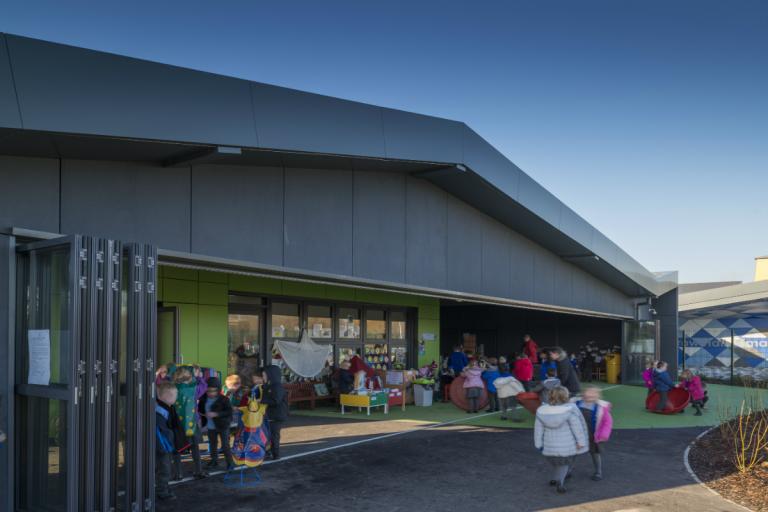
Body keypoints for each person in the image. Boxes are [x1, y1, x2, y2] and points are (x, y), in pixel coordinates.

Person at [534, 386, 589, 494]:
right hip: (567, 444)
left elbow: (538, 429)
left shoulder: (542, 411)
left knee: (556, 462)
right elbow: (577, 428)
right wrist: (581, 442)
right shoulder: (570, 410)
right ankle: (560, 482)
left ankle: (554, 478)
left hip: (549, 444)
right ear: (565, 396)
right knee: (564, 464)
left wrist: (538, 443)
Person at [172, 367, 206, 480]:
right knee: (195, 447)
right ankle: (198, 471)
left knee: (177, 449)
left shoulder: (174, 388)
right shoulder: (194, 388)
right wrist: (199, 377)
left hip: (178, 424)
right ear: (190, 378)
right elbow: (204, 386)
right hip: (192, 423)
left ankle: (178, 474)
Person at [575, 387, 613, 481]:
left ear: (597, 396)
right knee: (573, 453)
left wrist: (604, 434)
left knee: (595, 453)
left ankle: (598, 472)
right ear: (583, 394)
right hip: (578, 434)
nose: (590, 396)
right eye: (588, 393)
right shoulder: (576, 403)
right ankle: (567, 471)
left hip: (593, 434)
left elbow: (607, 422)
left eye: (593, 394)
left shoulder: (601, 408)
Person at [199, 377, 235, 470]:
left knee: (225, 445)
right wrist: (202, 414)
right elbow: (200, 409)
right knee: (213, 444)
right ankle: (214, 461)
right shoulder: (203, 399)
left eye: (213, 391)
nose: (211, 393)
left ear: (218, 390)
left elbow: (229, 411)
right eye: (208, 391)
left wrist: (216, 414)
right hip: (211, 426)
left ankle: (230, 463)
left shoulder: (224, 399)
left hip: (223, 425)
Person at [156, 381, 184, 501]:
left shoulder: (165, 408)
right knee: (164, 469)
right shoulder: (161, 411)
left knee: (164, 469)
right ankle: (162, 491)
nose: (176, 398)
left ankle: (164, 488)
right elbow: (162, 432)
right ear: (167, 397)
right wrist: (169, 446)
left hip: (164, 445)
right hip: (163, 447)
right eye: (175, 396)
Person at [260, 365, 288, 460]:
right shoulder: (268, 386)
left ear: (271, 375)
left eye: (264, 375)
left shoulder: (277, 386)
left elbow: (276, 400)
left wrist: (262, 401)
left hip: (277, 416)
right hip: (271, 415)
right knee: (268, 434)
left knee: (274, 435)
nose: (263, 377)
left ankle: (276, 454)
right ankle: (269, 452)